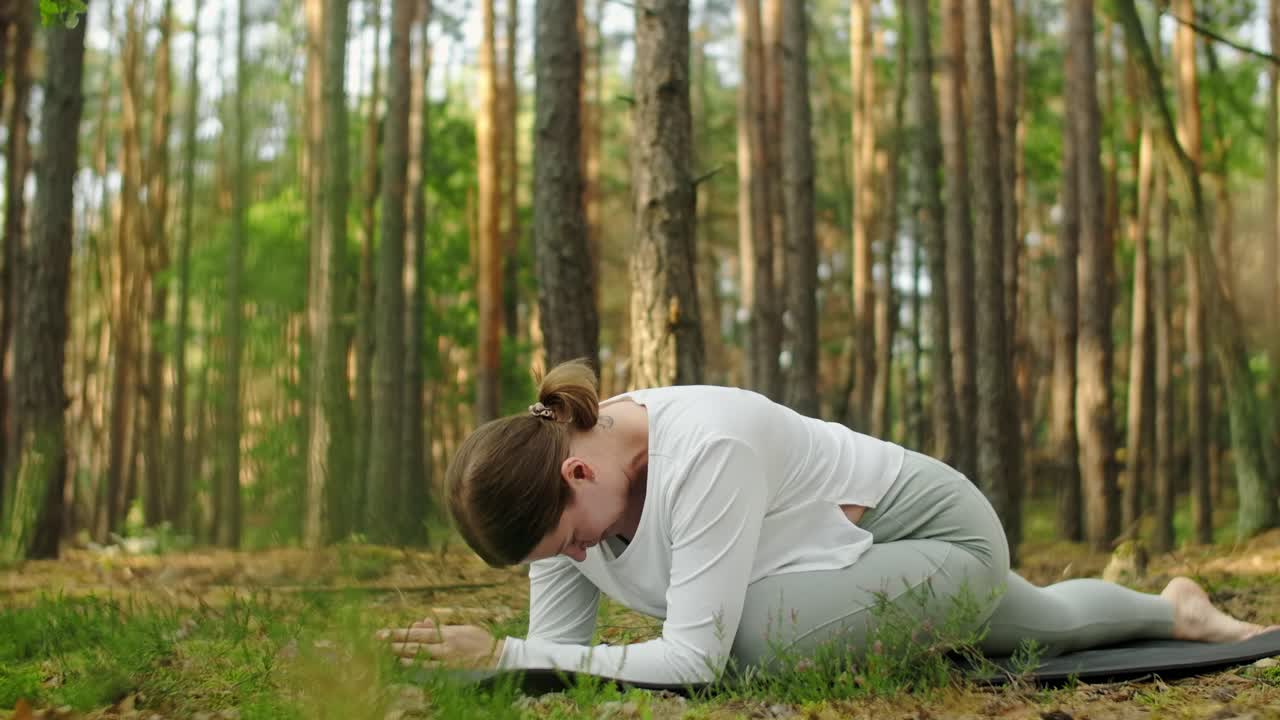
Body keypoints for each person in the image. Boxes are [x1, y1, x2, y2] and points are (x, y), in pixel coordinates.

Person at [377, 360, 1276, 685]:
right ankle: (1173, 611)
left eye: (569, 540)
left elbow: (693, 660)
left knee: (752, 644)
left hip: (932, 534)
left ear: (576, 471)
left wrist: (503, 655)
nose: (576, 558)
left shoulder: (705, 448)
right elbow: (555, 656)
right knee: (1030, 627)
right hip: (834, 571)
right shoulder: (560, 493)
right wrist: (501, 666)